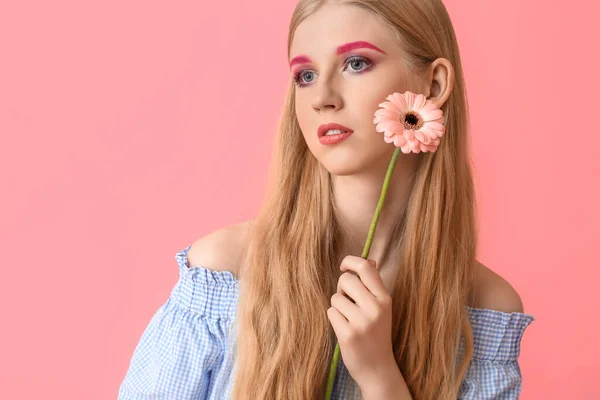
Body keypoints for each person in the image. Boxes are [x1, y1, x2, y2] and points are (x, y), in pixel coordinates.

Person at [118, 0, 535, 399]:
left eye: (356, 64)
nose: (322, 98)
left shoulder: (483, 310)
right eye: (306, 75)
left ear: (434, 83)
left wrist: (380, 378)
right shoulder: (225, 274)